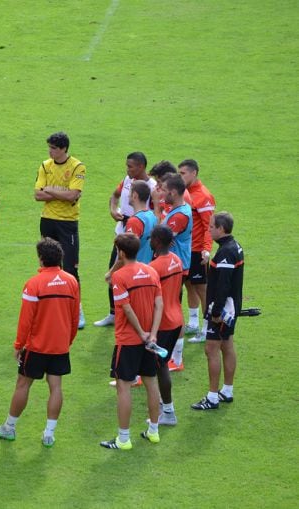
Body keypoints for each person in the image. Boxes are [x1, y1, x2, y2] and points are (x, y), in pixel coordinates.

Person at [0, 238, 79, 447]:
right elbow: (75, 317)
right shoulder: (71, 281)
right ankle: (49, 433)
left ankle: (9, 428)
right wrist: (68, 340)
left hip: (37, 346)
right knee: (56, 386)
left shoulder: (34, 284)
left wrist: (19, 345)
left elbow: (26, 319)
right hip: (60, 345)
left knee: (23, 384)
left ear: (41, 259)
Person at [100, 234, 163, 450]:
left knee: (123, 387)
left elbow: (126, 308)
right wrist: (152, 334)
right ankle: (153, 432)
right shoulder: (152, 271)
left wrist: (141, 333)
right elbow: (159, 304)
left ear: (121, 252)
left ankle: (123, 439)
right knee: (151, 383)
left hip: (128, 340)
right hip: (149, 339)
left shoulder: (121, 277)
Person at [95, 153, 156, 327]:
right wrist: (113, 210)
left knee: (124, 273)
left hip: (137, 233)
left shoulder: (152, 188)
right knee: (116, 270)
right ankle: (114, 313)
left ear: (141, 167)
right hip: (123, 231)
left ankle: (130, 316)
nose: (127, 169)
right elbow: (114, 196)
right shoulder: (127, 180)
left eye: (130, 166)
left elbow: (157, 212)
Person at [34, 132, 87, 329]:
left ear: (64, 149)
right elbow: (38, 195)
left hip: (67, 223)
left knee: (71, 268)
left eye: (54, 148)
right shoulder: (45, 165)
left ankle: (77, 310)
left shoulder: (77, 166)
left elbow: (73, 195)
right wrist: (61, 194)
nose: (50, 151)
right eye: (49, 147)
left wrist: (50, 191)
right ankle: (49, 305)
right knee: (48, 266)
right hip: (47, 220)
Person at [191, 212, 243, 411]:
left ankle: (212, 397)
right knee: (227, 346)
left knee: (211, 349)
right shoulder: (233, 247)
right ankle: (227, 391)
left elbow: (222, 284)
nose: (209, 229)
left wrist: (216, 312)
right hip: (231, 308)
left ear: (221, 229)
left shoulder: (225, 253)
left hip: (222, 310)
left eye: (212, 226)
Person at [149, 225, 185, 425]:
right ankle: (165, 407)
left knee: (160, 367)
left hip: (162, 324)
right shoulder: (176, 260)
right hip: (176, 319)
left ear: (157, 241)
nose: (149, 241)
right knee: (160, 365)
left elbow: (151, 300)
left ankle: (169, 412)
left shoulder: (154, 268)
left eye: (151, 238)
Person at [178, 159, 216, 343]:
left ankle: (207, 328)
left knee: (202, 289)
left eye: (183, 173)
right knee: (189, 285)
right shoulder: (186, 193)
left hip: (198, 251)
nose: (180, 176)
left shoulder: (203, 196)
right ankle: (193, 322)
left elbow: (209, 226)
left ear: (194, 173)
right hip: (186, 250)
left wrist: (207, 250)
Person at [160, 174, 193, 371]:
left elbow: (160, 238)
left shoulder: (179, 215)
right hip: (175, 266)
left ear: (172, 192)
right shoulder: (177, 210)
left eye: (164, 190)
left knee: (172, 309)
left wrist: (160, 233)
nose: (161, 193)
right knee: (171, 307)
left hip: (175, 269)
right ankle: (174, 356)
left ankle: (177, 359)